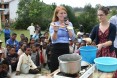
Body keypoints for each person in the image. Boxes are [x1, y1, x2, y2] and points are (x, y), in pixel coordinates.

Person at [49, 6, 75, 72]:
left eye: (64, 13)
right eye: (61, 13)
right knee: (54, 69)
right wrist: (55, 31)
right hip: (56, 48)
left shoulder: (70, 24)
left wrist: (68, 27)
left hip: (65, 48)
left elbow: (73, 37)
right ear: (57, 14)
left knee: (65, 70)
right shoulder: (54, 24)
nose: (63, 15)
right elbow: (53, 39)